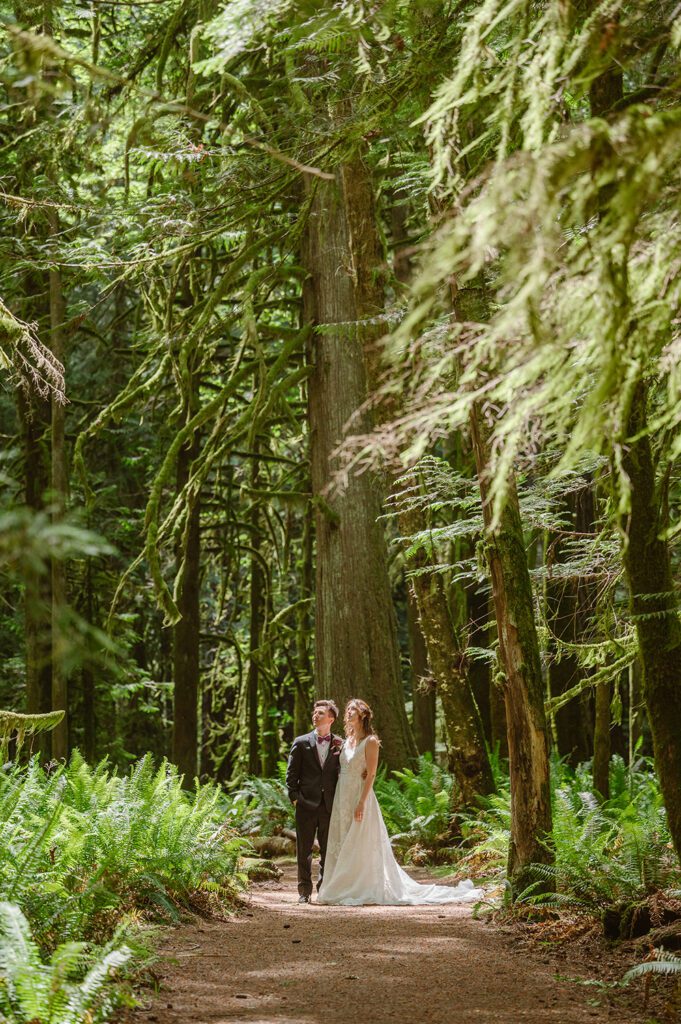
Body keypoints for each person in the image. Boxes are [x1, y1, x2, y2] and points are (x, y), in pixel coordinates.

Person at [317, 698, 484, 906]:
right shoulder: (346, 741)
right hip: (342, 795)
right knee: (342, 838)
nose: (349, 712)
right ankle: (341, 884)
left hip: (359, 795)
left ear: (363, 715)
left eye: (353, 709)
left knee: (358, 841)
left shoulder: (370, 741)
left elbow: (371, 774)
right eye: (348, 709)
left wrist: (361, 802)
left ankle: (361, 885)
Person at [285, 699, 343, 903]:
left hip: (329, 805)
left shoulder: (340, 744)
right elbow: (291, 775)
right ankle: (304, 892)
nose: (315, 716)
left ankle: (324, 889)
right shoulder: (301, 742)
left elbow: (342, 773)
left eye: (320, 713)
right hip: (305, 804)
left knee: (328, 850)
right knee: (304, 850)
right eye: (314, 712)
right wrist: (295, 799)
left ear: (331, 719)